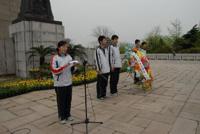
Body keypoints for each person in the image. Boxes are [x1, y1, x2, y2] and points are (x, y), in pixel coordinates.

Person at [50, 40, 77, 124]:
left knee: (68, 100)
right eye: (64, 46)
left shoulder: (69, 57)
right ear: (59, 47)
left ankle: (68, 115)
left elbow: (71, 70)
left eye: (66, 47)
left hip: (68, 82)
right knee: (61, 101)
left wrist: (74, 67)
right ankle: (62, 116)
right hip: (59, 84)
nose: (66, 48)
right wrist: (66, 66)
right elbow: (54, 70)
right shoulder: (54, 58)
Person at [94, 36, 110, 100]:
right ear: (100, 41)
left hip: (106, 69)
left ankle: (104, 94)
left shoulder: (106, 49)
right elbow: (97, 60)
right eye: (104, 40)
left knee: (105, 83)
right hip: (101, 70)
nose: (105, 41)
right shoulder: (97, 50)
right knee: (100, 83)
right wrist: (99, 69)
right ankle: (99, 95)